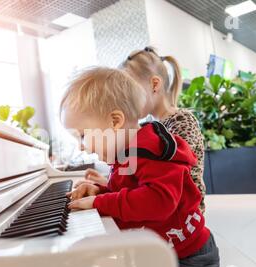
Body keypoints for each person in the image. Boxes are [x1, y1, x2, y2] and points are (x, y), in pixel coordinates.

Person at [60, 67, 219, 267]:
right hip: (164, 256)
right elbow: (128, 192)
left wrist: (99, 202)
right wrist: (100, 190)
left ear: (115, 121)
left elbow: (158, 201)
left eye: (83, 135)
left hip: (191, 264)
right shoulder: (127, 154)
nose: (82, 146)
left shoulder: (151, 150)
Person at [77, 46, 207, 215]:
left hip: (182, 214)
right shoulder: (150, 125)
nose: (125, 99)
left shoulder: (181, 121)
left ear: (154, 84)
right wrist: (108, 185)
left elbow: (169, 184)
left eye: (130, 90)